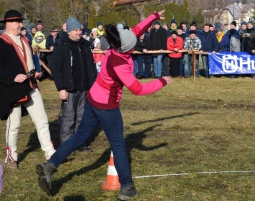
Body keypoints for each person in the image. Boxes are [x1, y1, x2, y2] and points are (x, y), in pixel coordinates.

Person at [36, 10, 172, 199]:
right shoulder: (120, 65)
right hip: (107, 107)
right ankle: (126, 187)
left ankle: (50, 165)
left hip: (93, 99)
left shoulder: (116, 45)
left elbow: (136, 31)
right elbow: (139, 90)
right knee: (118, 145)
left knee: (79, 137)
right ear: (127, 48)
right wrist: (163, 81)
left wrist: (154, 16)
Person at [0, 10, 55, 169]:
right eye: (17, 22)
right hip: (12, 89)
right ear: (8, 24)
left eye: (21, 21)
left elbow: (30, 61)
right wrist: (13, 77)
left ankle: (50, 153)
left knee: (42, 120)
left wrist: (36, 72)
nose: (21, 24)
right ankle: (11, 156)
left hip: (30, 86)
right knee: (14, 124)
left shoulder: (26, 40)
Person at [50, 17, 97, 152]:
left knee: (82, 117)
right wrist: (61, 88)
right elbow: (56, 69)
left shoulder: (86, 45)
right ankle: (66, 145)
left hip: (85, 87)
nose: (79, 32)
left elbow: (91, 66)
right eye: (76, 30)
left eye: (80, 29)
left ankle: (80, 142)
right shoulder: (62, 47)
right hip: (69, 88)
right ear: (69, 31)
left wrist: (93, 83)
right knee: (68, 117)